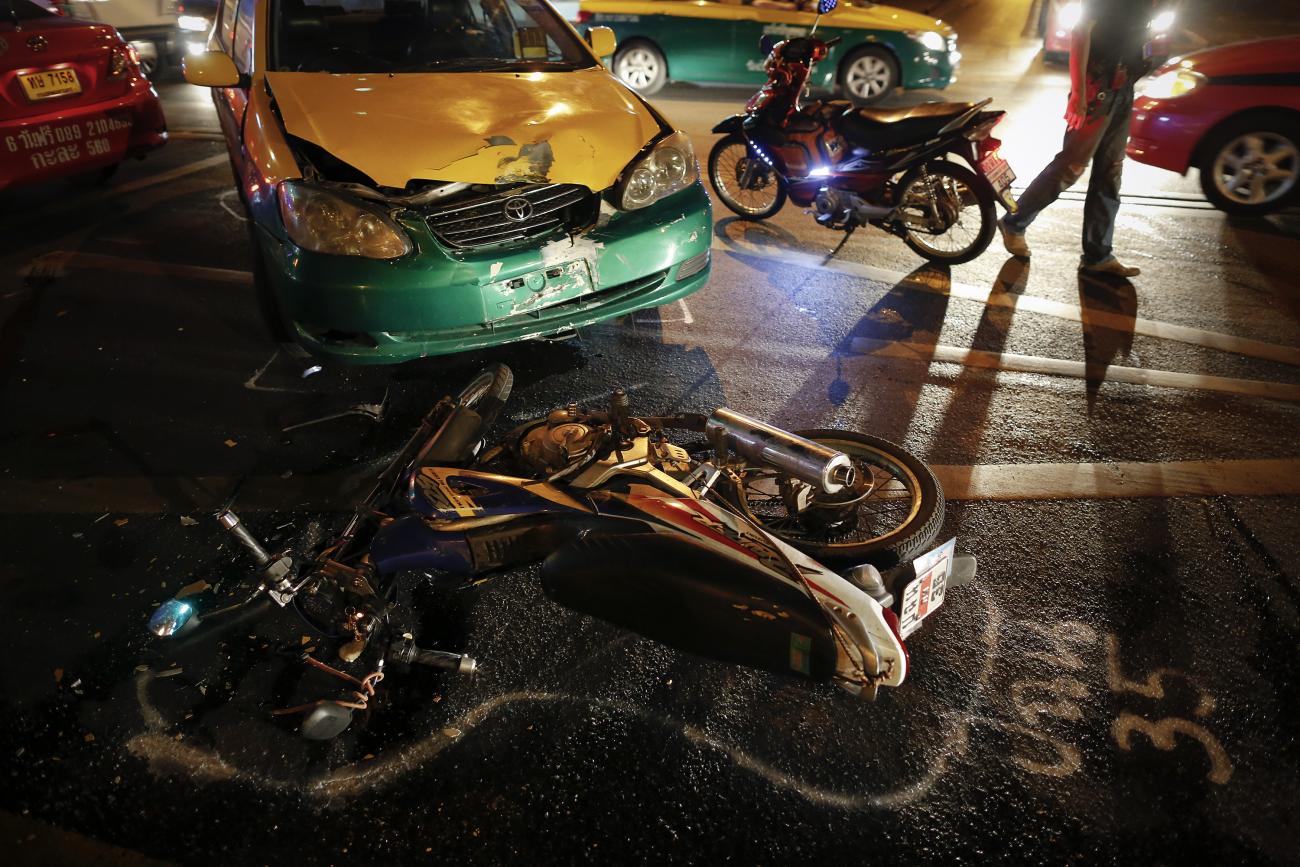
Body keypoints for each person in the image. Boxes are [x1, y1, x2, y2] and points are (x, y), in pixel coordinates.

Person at [999, 0, 1158, 277]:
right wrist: (1078, 93)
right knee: (1071, 167)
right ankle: (1014, 222)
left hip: (1124, 89)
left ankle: (1098, 256)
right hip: (1099, 90)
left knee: (1111, 173)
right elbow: (1080, 31)